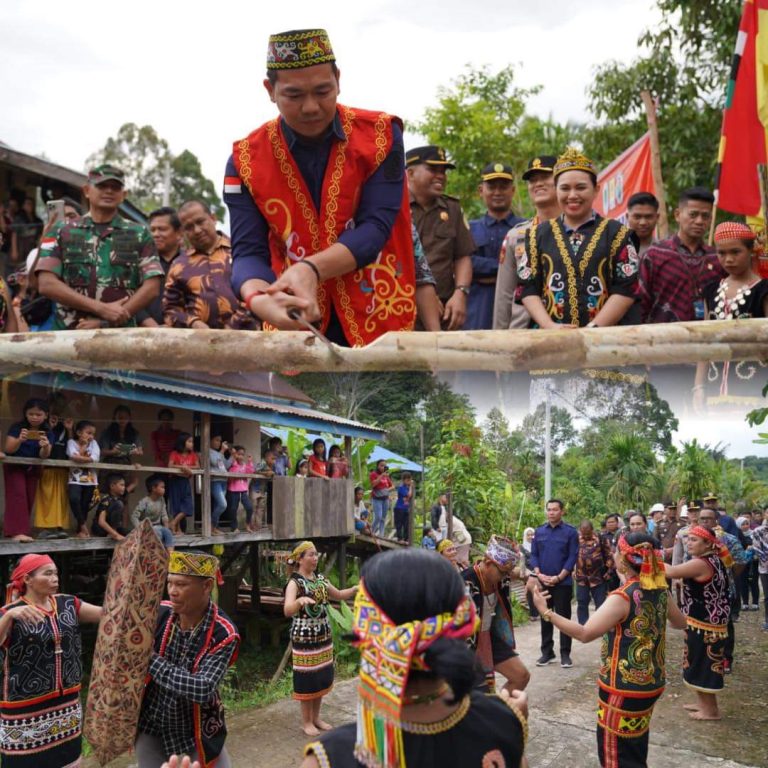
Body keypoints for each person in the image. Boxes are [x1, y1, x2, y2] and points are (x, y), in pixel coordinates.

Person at [225, 28, 416, 346]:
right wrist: (258, 298)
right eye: (294, 95)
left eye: (323, 91)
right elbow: (248, 252)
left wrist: (311, 269)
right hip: (296, 322)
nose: (311, 107)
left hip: (378, 314)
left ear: (339, 80)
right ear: (270, 90)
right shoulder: (245, 159)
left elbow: (375, 228)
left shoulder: (381, 136)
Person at [302, 549, 528, 768]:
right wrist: (510, 724)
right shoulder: (501, 722)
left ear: (368, 629)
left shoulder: (330, 757)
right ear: (461, 624)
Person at [532, 532, 686, 767]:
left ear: (623, 559)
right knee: (634, 747)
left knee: (615, 755)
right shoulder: (659, 589)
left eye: (616, 551)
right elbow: (679, 622)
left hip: (622, 688)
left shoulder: (623, 597)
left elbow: (584, 634)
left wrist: (546, 612)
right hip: (651, 683)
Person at [135, 551, 239, 767]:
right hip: (150, 725)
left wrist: (149, 659)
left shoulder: (224, 632)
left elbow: (202, 688)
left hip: (196, 732)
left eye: (181, 584)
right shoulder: (159, 612)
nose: (172, 591)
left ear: (206, 586)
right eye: (169, 583)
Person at [517, 148, 638, 329]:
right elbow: (527, 287)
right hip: (550, 340)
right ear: (556, 190)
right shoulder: (537, 235)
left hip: (604, 341)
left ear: (596, 189)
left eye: (581, 187)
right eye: (565, 188)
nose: (572, 195)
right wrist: (549, 326)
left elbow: (627, 287)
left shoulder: (617, 233)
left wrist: (594, 328)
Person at [0, 554, 102, 767]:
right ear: (28, 579)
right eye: (48, 573)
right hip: (25, 710)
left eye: (56, 573)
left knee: (69, 761)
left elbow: (108, 614)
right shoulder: (10, 613)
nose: (55, 578)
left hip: (66, 707)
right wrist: (9, 617)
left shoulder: (68, 604)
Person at [35, 164, 163, 330]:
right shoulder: (60, 230)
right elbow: (46, 284)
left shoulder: (140, 233)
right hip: (69, 336)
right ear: (87, 190)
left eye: (115, 187)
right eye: (101, 186)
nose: (109, 191)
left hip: (121, 337)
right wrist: (101, 309)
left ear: (123, 195)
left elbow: (152, 287)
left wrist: (109, 320)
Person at [283, 541, 357, 736]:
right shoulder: (295, 582)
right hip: (304, 639)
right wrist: (299, 601)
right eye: (310, 555)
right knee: (307, 679)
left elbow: (339, 595)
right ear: (300, 559)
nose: (315, 558)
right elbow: (287, 610)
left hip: (323, 637)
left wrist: (356, 589)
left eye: (316, 555)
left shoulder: (321, 580)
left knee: (321, 678)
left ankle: (316, 718)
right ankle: (306, 722)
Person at [693, 222, 768, 411]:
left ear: (751, 251)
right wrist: (699, 387)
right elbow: (705, 341)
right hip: (714, 391)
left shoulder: (763, 291)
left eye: (735, 252)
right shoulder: (710, 291)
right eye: (722, 253)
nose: (728, 259)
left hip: (756, 390)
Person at [665, 526, 732, 720]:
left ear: (708, 544)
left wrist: (646, 556)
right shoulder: (713, 560)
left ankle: (711, 711)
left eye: (694, 540)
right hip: (705, 622)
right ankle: (703, 703)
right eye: (688, 539)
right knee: (697, 662)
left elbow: (671, 571)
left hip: (706, 624)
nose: (689, 543)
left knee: (704, 664)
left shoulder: (702, 563)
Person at [407, 145, 474, 330]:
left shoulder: (451, 208)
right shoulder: (393, 208)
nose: (441, 176)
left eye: (443, 171)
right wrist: (424, 297)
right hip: (402, 308)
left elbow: (463, 256)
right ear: (410, 173)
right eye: (432, 169)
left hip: (445, 312)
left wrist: (460, 293)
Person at [163, 200, 256, 330]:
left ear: (213, 218)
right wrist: (193, 322)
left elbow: (258, 292)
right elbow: (170, 309)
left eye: (200, 222)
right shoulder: (179, 265)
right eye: (189, 227)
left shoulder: (241, 252)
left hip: (249, 341)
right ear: (183, 231)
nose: (197, 230)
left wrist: (233, 326)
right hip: (199, 345)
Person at [638, 187, 723, 323]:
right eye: (693, 215)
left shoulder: (718, 258)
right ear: (677, 215)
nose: (700, 221)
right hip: (663, 338)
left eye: (705, 216)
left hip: (708, 339)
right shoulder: (655, 254)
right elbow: (640, 303)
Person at [494, 155, 560, 330]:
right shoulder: (516, 236)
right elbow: (504, 294)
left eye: (545, 177)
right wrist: (499, 340)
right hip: (523, 331)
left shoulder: (580, 231)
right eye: (532, 180)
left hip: (571, 328)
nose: (538, 184)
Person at [463, 535, 530, 693]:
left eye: (508, 573)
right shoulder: (465, 582)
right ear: (487, 563)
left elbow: (517, 573)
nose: (506, 577)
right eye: (503, 572)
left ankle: (499, 710)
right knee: (479, 691)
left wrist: (532, 579)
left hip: (490, 636)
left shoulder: (500, 579)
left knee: (521, 676)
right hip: (467, 643)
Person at [465, 163, 523, 329]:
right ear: (481, 190)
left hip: (516, 310)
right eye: (491, 187)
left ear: (512, 191)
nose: (498, 192)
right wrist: (507, 269)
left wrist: (484, 271)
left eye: (503, 187)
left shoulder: (525, 229)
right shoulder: (468, 229)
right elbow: (466, 264)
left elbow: (527, 268)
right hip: (476, 310)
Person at [527, 498, 579, 667]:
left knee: (564, 618)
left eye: (555, 509)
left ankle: (565, 654)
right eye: (549, 509)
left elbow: (572, 557)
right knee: (545, 616)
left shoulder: (570, 532)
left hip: (562, 583)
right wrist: (538, 574)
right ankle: (547, 653)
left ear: (562, 511)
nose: (551, 513)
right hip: (543, 582)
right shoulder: (539, 531)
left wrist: (559, 577)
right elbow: (534, 555)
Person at [3, 398, 53, 541]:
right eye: (31, 414)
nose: (34, 417)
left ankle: (20, 531)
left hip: (33, 469)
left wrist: (45, 446)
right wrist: (20, 440)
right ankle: (16, 533)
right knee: (18, 497)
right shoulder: (17, 427)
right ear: (25, 414)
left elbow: (44, 455)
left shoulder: (48, 432)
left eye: (38, 414)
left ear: (46, 415)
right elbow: (8, 449)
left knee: (29, 498)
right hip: (15, 467)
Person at [139, 206, 184, 326]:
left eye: (162, 229)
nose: (156, 234)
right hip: (142, 333)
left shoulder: (191, 263)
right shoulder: (141, 263)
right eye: (152, 230)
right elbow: (130, 296)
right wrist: (150, 325)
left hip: (183, 334)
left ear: (179, 233)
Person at [34, 410, 72, 539]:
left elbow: (71, 446)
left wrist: (69, 429)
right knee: (47, 498)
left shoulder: (66, 426)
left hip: (63, 468)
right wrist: (50, 427)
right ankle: (46, 528)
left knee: (61, 499)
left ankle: (59, 527)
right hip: (47, 467)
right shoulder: (44, 426)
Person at [574, 519, 614, 625]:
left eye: (588, 533)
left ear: (592, 529)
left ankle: (598, 626)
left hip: (598, 577)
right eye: (583, 533)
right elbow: (571, 556)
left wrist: (609, 572)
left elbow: (609, 555)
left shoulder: (601, 539)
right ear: (580, 530)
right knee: (582, 602)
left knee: (600, 603)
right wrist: (572, 570)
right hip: (581, 578)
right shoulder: (576, 540)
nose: (586, 535)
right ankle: (584, 626)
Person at [66, 419, 100, 539]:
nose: (91, 436)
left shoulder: (94, 443)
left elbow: (94, 458)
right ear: (79, 432)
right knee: (74, 499)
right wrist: (83, 447)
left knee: (85, 505)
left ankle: (80, 531)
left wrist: (80, 457)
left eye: (93, 434)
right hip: (75, 479)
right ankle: (83, 525)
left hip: (90, 480)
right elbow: (73, 457)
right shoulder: (71, 442)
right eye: (88, 433)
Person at [98, 404, 143, 494]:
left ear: (129, 418)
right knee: (107, 493)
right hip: (109, 465)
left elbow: (140, 451)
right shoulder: (108, 432)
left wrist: (133, 451)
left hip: (125, 465)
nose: (122, 419)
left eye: (125, 417)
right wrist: (113, 451)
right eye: (120, 417)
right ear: (115, 417)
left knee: (124, 495)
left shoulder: (134, 433)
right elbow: (101, 451)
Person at [167, 433, 199, 533]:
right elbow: (170, 466)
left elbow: (197, 467)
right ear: (182, 442)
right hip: (175, 481)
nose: (192, 444)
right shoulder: (174, 453)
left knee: (188, 506)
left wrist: (187, 468)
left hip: (185, 482)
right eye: (189, 441)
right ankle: (178, 529)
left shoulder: (193, 454)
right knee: (176, 505)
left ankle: (173, 522)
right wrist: (182, 467)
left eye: (192, 442)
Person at [132, 474, 174, 549]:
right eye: (162, 487)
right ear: (153, 488)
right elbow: (134, 516)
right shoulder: (145, 501)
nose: (164, 489)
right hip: (147, 528)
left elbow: (164, 515)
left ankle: (171, 556)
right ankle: (156, 556)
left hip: (158, 526)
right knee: (158, 533)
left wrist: (166, 528)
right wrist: (139, 529)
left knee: (168, 533)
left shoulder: (161, 499)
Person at [91, 472, 128, 541]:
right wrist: (115, 534)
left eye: (124, 485)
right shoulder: (106, 499)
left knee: (128, 533)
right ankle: (113, 533)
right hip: (100, 528)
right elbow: (101, 522)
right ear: (112, 486)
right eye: (121, 485)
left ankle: (114, 532)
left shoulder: (118, 498)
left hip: (111, 528)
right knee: (119, 504)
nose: (124, 487)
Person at [226, 445, 254, 531]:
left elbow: (251, 472)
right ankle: (234, 527)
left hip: (243, 491)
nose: (241, 456)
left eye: (242, 454)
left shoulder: (245, 465)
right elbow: (232, 472)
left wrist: (250, 462)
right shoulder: (232, 465)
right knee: (233, 509)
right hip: (233, 490)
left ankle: (247, 524)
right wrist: (234, 459)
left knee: (249, 507)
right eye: (239, 454)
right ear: (235, 455)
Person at [626, 192, 660, 258]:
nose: (643, 223)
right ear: (627, 217)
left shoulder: (666, 251)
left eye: (648, 217)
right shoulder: (615, 251)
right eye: (637, 217)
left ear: (657, 217)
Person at [209, 435, 232, 534]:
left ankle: (214, 528)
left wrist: (232, 456)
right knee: (223, 505)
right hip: (215, 481)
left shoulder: (219, 454)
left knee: (217, 505)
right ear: (210, 440)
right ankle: (211, 525)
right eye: (216, 440)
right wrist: (222, 451)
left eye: (220, 441)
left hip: (223, 481)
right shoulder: (208, 451)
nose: (219, 443)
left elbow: (226, 465)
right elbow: (214, 462)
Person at [750, 513, 768, 630]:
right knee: (767, 596)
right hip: (765, 568)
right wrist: (765, 559)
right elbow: (756, 548)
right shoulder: (758, 531)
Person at [368, 459, 393, 537]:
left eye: (384, 466)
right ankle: (371, 531)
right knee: (378, 517)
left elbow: (392, 486)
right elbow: (373, 485)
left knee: (383, 518)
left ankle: (381, 535)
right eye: (381, 465)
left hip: (385, 499)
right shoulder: (373, 474)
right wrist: (381, 476)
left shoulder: (386, 476)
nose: (383, 467)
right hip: (376, 498)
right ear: (377, 466)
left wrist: (386, 490)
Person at [521, 526, 539, 619]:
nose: (531, 536)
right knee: (529, 593)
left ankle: (541, 611)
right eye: (528, 535)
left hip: (538, 572)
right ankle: (533, 614)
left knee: (538, 591)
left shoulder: (538, 545)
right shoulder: (522, 547)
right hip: (528, 573)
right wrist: (523, 572)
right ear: (525, 536)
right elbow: (522, 561)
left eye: (532, 534)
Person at [393, 471, 413, 543]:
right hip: (399, 508)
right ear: (403, 480)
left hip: (406, 509)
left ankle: (406, 539)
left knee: (406, 524)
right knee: (399, 524)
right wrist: (411, 487)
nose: (409, 482)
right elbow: (409, 495)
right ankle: (400, 538)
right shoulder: (401, 488)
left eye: (410, 480)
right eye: (407, 480)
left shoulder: (408, 488)